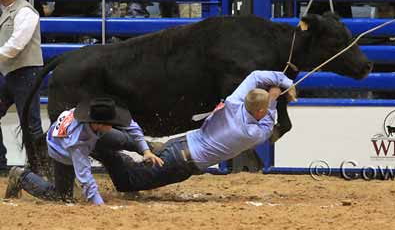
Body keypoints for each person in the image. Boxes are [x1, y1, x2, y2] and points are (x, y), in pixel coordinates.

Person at [82, 71, 296, 195]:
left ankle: (112, 143)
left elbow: (256, 76)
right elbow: (268, 126)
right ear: (259, 110)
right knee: (127, 183)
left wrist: (283, 82)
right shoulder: (249, 132)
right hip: (183, 161)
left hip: (182, 144)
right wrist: (276, 97)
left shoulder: (235, 101)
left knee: (140, 162)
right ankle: (99, 147)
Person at [5, 97, 163, 204]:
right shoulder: (78, 141)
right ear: (100, 124)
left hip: (87, 136)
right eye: (113, 122)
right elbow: (84, 176)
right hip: (61, 150)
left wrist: (145, 150)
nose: (117, 123)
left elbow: (130, 125)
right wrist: (98, 203)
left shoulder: (96, 115)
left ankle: (146, 149)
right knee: (62, 197)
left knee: (122, 138)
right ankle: (21, 176)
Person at [0, 0, 45, 174]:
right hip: (10, 73)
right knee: (30, 122)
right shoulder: (8, 11)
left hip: (26, 73)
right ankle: (1, 160)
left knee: (30, 123)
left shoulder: (26, 12)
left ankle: (40, 167)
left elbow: (16, 45)